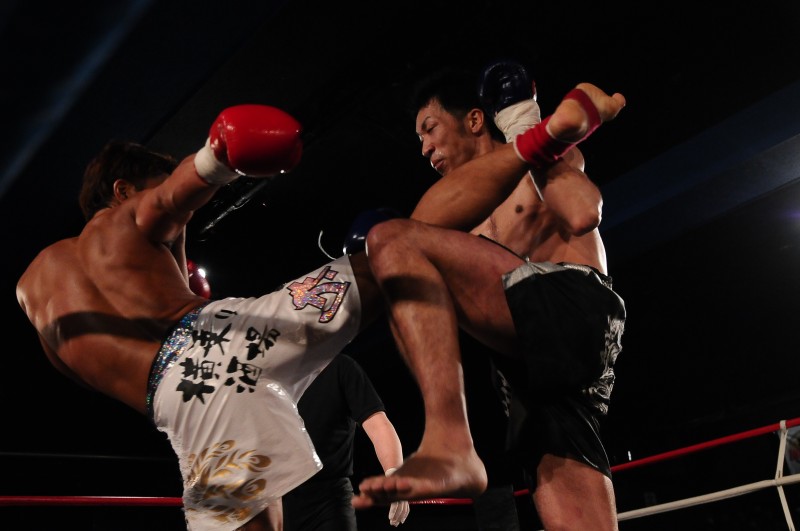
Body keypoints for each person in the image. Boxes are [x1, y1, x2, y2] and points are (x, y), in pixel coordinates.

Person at [16, 82, 624, 530]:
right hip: (223, 338)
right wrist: (216, 159)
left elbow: (117, 373)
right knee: (392, 247)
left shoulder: (36, 299)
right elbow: (169, 198)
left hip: (181, 409)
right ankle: (538, 138)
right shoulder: (123, 220)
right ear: (122, 190)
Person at [352, 63, 627, 531]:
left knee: (391, 239)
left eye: (430, 129)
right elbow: (405, 256)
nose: (424, 147)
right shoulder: (456, 213)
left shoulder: (537, 163)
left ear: (476, 120)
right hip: (530, 372)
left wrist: (525, 124)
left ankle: (450, 439)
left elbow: (583, 214)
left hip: (573, 306)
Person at [282, 353, 409, 529]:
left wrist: (394, 474)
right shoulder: (262, 373)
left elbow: (378, 425)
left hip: (329, 499)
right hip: (273, 496)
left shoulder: (341, 367)